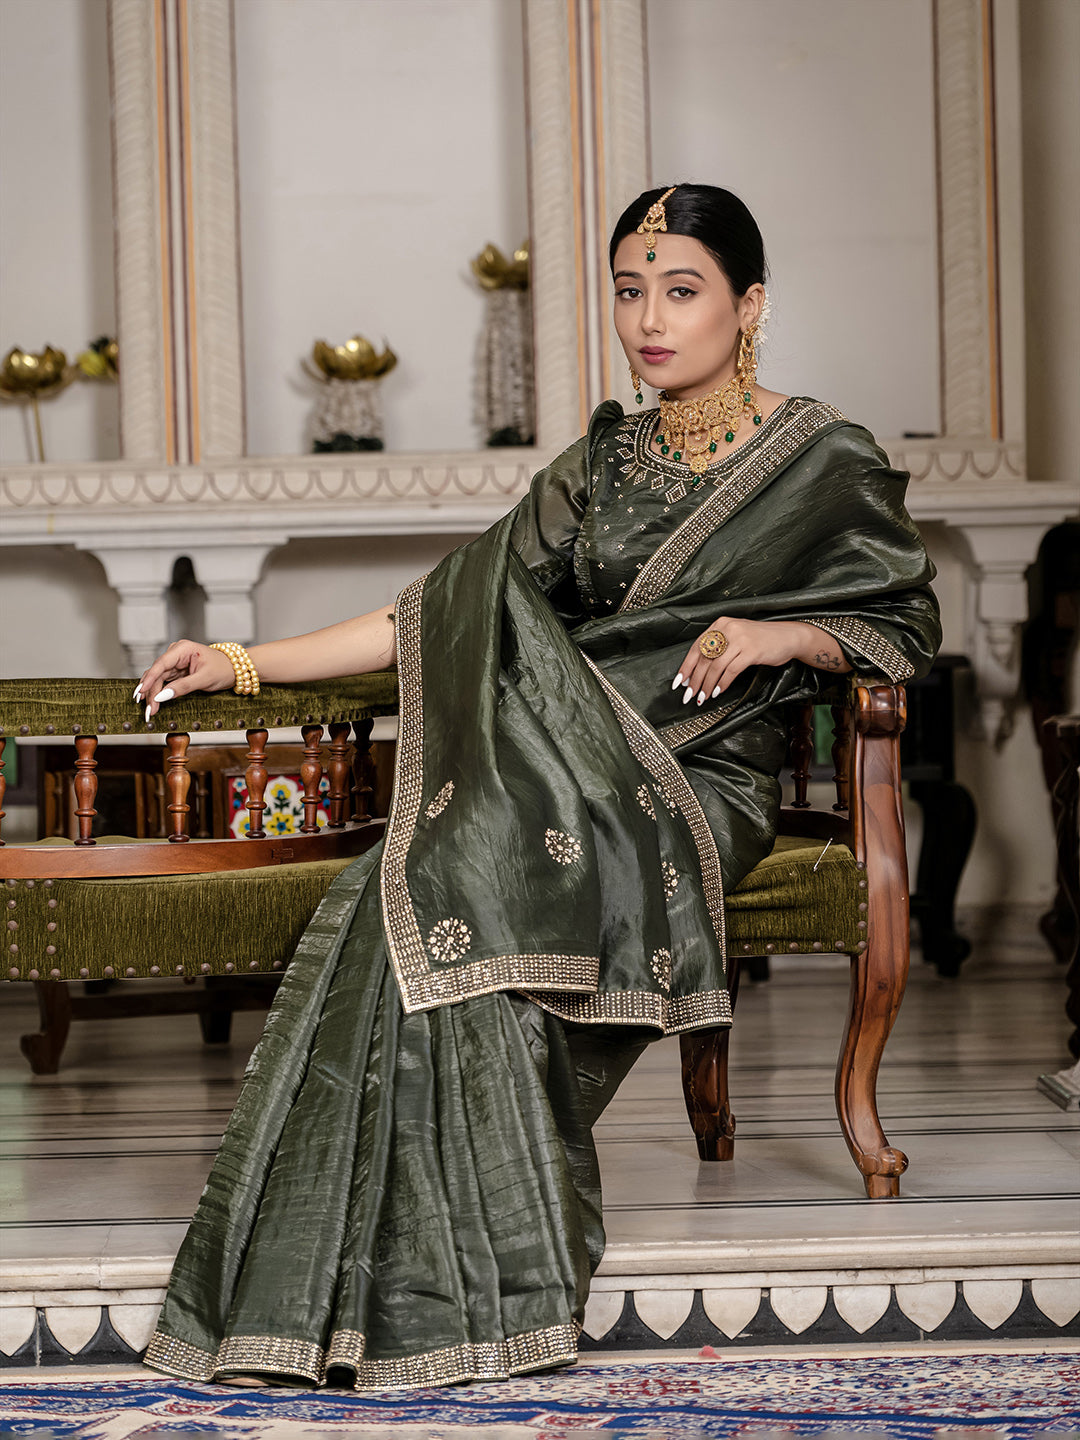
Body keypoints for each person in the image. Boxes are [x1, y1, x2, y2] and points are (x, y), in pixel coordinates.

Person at [137, 184, 940, 1392]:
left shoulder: (825, 458)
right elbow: (441, 611)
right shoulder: (604, 462)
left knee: (461, 877)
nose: (650, 320)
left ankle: (466, 1272)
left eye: (681, 291)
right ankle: (384, 1277)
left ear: (750, 305)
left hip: (696, 768)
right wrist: (240, 661)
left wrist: (776, 637)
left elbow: (903, 623)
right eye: (629, 291)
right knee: (395, 891)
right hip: (555, 756)